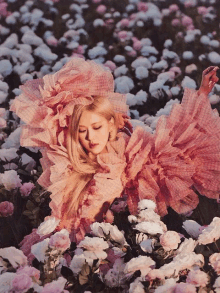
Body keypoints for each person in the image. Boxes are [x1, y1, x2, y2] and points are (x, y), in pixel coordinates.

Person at [10, 58, 220, 260]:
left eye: (97, 127)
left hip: (103, 251)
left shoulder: (128, 158)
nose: (90, 137)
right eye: (82, 131)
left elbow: (179, 146)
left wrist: (201, 93)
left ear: (111, 125)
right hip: (65, 245)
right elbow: (51, 123)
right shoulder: (69, 161)